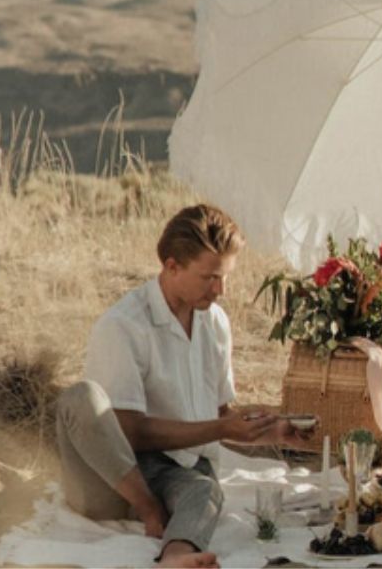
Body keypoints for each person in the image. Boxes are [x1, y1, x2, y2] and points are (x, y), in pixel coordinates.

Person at [55, 204, 310, 568]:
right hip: (114, 478)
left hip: (177, 473)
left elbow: (220, 416)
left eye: (224, 277)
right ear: (171, 266)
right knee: (81, 398)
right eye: (209, 277)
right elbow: (128, 434)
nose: (220, 289)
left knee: (205, 490)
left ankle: (176, 556)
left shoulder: (215, 322)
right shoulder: (123, 325)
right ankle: (149, 510)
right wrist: (220, 428)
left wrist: (274, 431)